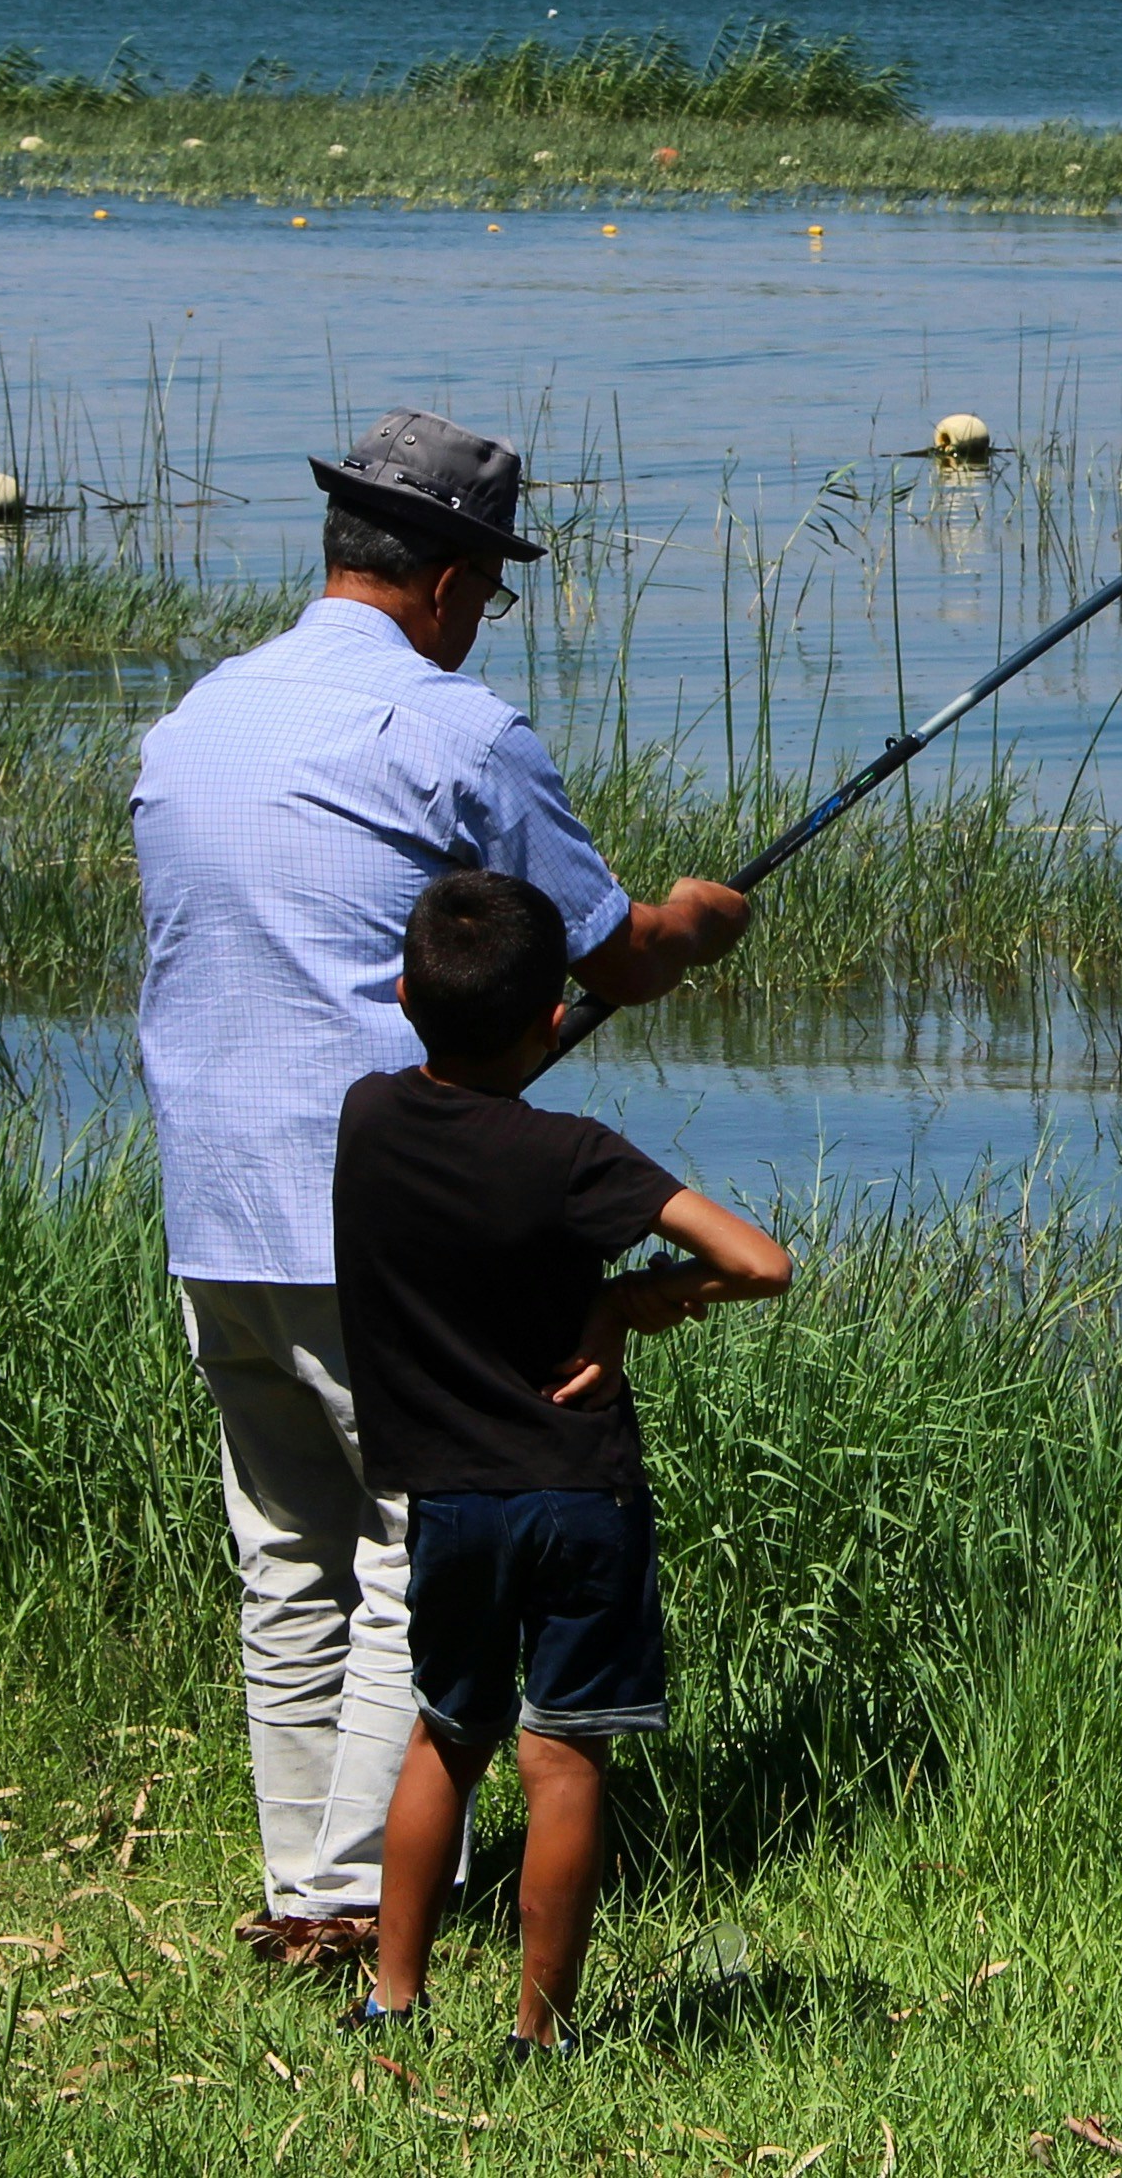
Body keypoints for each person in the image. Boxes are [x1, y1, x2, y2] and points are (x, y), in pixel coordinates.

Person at [132, 408, 753, 1966]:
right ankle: (355, 1902)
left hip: (210, 1200)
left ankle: (306, 1883)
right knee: (423, 1547)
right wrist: (702, 921)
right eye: (490, 592)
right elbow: (614, 953)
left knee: (286, 1553)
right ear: (458, 580)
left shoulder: (197, 715)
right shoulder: (459, 730)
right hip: (380, 1215)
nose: (484, 621)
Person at [331, 868, 792, 2055]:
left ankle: (392, 2000)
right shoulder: (577, 1157)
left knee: (448, 1732)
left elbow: (458, 1118)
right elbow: (760, 1261)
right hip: (582, 1493)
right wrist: (634, 1295)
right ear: (551, 1021)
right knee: (562, 1753)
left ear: (403, 994)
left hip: (454, 1502)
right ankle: (542, 2035)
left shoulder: (365, 1120)